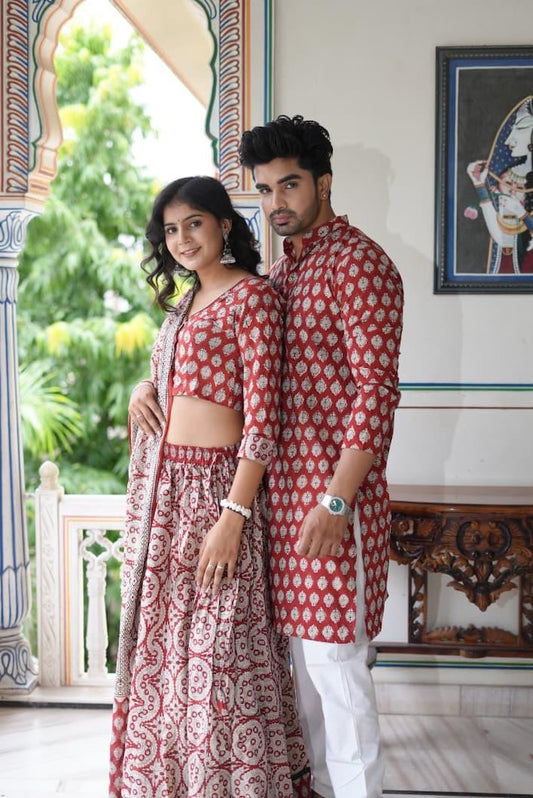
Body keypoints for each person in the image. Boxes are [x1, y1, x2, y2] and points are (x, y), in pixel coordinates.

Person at [108, 176, 310, 797]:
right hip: (163, 498)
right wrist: (145, 388)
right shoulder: (181, 305)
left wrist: (234, 516)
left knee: (222, 661)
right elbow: (164, 376)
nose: (182, 239)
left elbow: (264, 421)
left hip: (219, 496)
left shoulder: (253, 299)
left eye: (194, 223)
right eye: (171, 229)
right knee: (170, 660)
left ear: (225, 224)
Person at [238, 115, 404, 798]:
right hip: (281, 515)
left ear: (323, 183)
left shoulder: (357, 264)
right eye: (265, 189)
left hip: (334, 512)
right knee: (302, 688)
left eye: (290, 184)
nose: (277, 201)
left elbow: (375, 394)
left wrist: (335, 502)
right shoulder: (282, 275)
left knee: (339, 680)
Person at [467, 96, 533, 275]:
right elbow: (503, 238)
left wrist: (522, 214)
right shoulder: (510, 176)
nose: (508, 140)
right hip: (509, 269)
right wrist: (480, 185)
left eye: (519, 128)